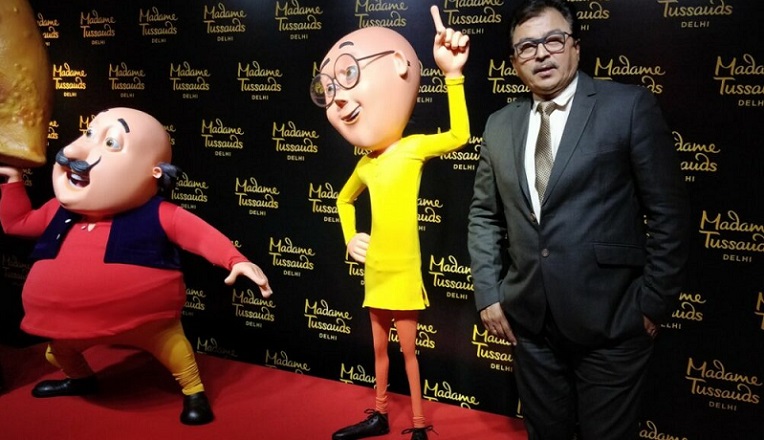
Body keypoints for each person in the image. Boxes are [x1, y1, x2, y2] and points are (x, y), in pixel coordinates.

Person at [467, 1, 690, 439]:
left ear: (575, 47)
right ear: (514, 62)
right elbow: (484, 215)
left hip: (613, 323)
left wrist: (652, 303)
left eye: (553, 40)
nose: (541, 53)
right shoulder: (499, 125)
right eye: (527, 47)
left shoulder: (627, 107)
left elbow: (669, 213)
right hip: (530, 327)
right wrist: (489, 292)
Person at [0, 107, 272, 425]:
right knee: (60, 350)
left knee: (175, 351)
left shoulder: (159, 213)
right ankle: (80, 379)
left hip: (148, 325)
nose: (73, 152)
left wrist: (236, 260)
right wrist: (13, 183)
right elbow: (16, 223)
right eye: (89, 134)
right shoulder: (56, 210)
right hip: (68, 327)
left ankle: (194, 393)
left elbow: (201, 237)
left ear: (154, 171)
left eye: (111, 143)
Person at [310, 6, 469, 440]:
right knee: (379, 350)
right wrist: (350, 238)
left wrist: (453, 76)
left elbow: (459, 136)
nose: (337, 98)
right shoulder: (365, 165)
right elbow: (343, 200)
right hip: (377, 271)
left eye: (347, 75)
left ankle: (418, 424)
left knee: (410, 353)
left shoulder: (413, 148)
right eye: (327, 88)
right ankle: (379, 414)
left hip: (404, 271)